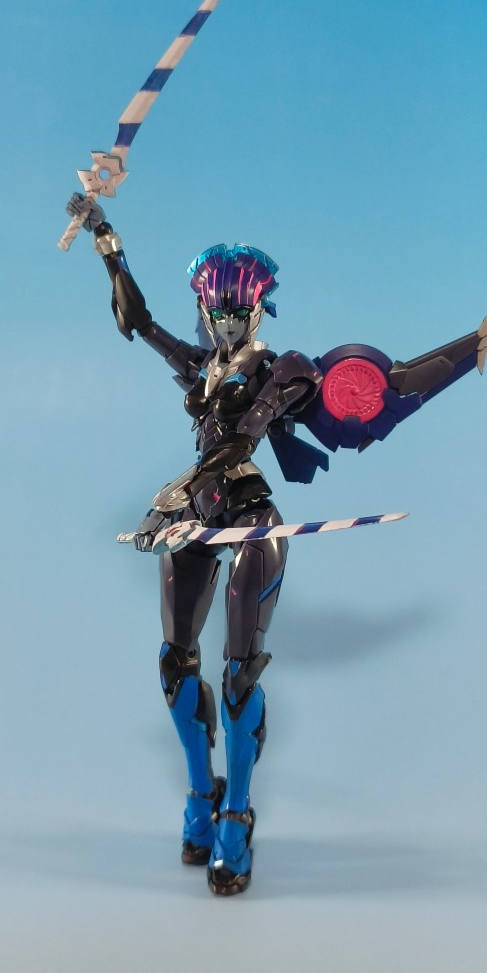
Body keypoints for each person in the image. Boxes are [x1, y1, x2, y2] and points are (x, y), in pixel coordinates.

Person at [66, 192, 487, 896]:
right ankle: (200, 796)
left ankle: (236, 815)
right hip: (197, 518)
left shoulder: (281, 370)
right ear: (206, 310)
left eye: (238, 312)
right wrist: (105, 239)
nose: (227, 323)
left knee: (239, 677)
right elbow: (137, 321)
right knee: (175, 664)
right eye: (217, 312)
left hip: (251, 520)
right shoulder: (202, 364)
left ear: (257, 310)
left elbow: (242, 439)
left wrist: (475, 345)